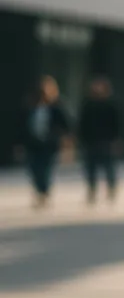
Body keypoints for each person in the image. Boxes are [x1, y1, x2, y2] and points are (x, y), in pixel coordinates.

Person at [23, 76, 72, 209]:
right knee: (34, 169)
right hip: (33, 144)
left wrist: (66, 141)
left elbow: (65, 125)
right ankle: (39, 191)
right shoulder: (30, 106)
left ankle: (43, 193)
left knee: (46, 169)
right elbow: (22, 126)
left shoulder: (57, 107)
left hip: (49, 144)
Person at [78, 76, 123, 204]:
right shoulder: (87, 104)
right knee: (90, 168)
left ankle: (111, 188)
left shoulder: (111, 105)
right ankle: (92, 190)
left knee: (109, 166)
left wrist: (116, 140)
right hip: (90, 141)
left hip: (107, 141)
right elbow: (82, 124)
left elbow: (117, 124)